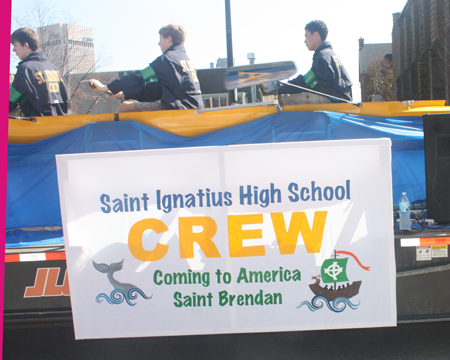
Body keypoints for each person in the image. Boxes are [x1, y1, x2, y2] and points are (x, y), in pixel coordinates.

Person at [90, 24, 203, 112]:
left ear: (169, 39)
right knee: (128, 103)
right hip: (196, 108)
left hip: (178, 109)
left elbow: (139, 77)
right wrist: (125, 94)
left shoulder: (166, 60)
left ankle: (112, 138)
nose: (159, 43)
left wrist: (106, 87)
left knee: (125, 107)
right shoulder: (185, 61)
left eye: (160, 39)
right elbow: (155, 90)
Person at [278, 20, 352, 105]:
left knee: (282, 99)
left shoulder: (322, 57)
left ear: (316, 35)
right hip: (343, 99)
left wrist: (279, 90)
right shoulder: (330, 54)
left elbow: (305, 82)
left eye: (306, 36)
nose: (305, 41)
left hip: (334, 100)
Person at [9, 27, 69, 117]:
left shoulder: (25, 69)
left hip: (35, 121)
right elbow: (66, 98)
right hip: (58, 120)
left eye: (15, 45)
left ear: (25, 45)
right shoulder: (55, 69)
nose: (13, 50)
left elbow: (10, 101)